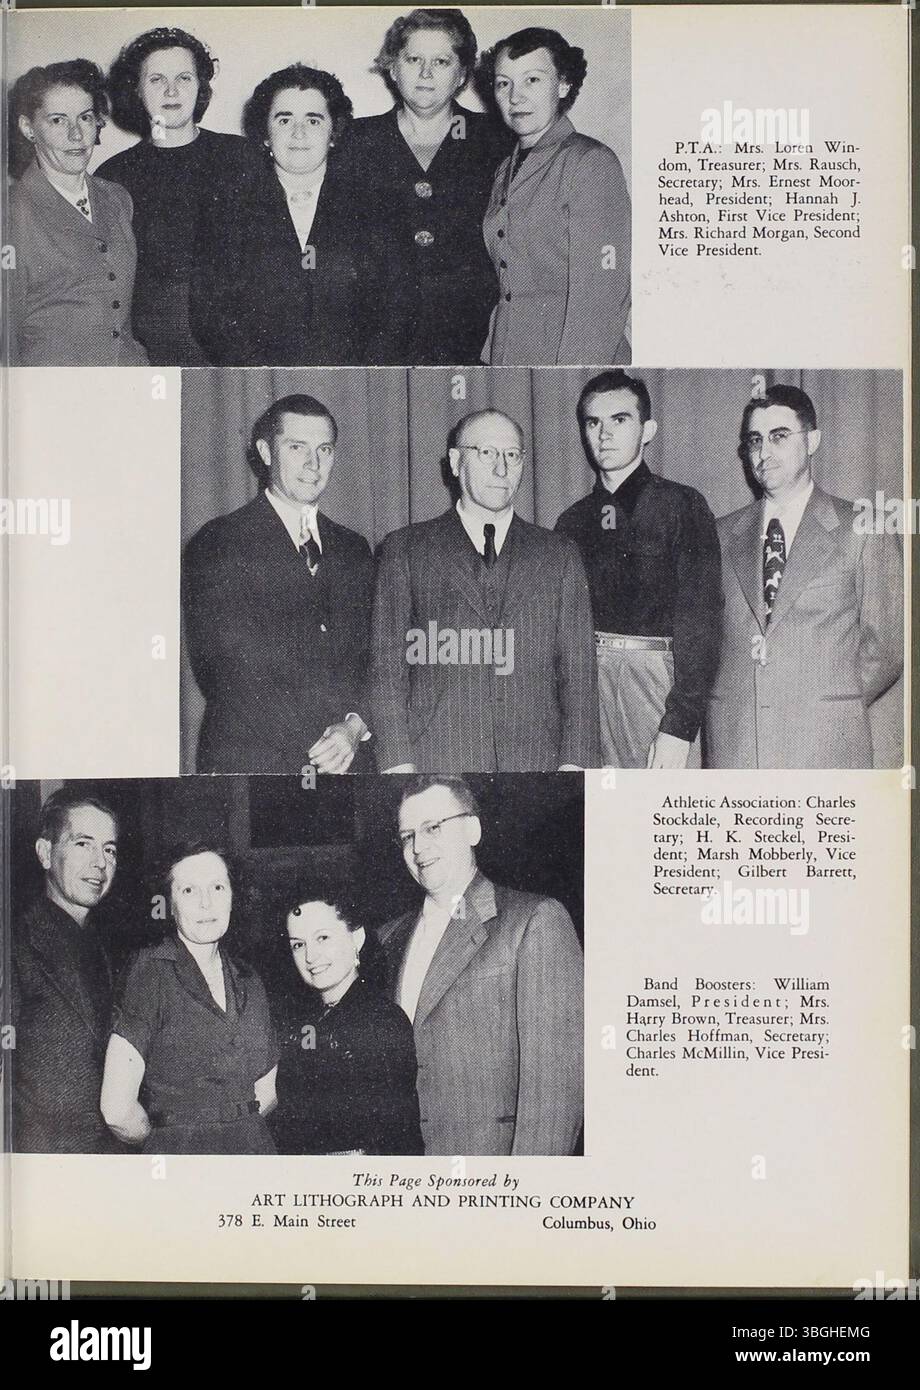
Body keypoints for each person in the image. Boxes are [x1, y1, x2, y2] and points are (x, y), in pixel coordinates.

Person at [370, 408, 600, 773]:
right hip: (438, 760)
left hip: (537, 764)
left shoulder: (559, 554)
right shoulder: (406, 549)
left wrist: (574, 768)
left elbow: (579, 673)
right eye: (487, 453)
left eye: (512, 455)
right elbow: (387, 668)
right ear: (457, 462)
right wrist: (397, 765)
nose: (501, 469)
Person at [377, 777, 583, 1156]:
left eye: (433, 828)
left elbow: (555, 1093)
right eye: (407, 836)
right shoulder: (386, 940)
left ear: (472, 829)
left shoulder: (534, 921)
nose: (419, 848)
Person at [706, 383, 903, 768]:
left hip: (824, 744)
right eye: (755, 440)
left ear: (812, 440)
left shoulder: (864, 528)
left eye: (780, 437)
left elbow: (887, 647)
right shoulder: (718, 534)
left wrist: (826, 702)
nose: (764, 453)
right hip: (736, 746)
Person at [182, 394, 374, 774]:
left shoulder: (354, 548)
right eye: (296, 447)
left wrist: (353, 729)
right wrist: (321, 745)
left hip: (348, 760)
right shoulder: (220, 541)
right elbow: (226, 670)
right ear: (266, 452)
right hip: (255, 762)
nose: (313, 464)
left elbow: (377, 656)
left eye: (324, 449)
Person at [555, 370, 723, 769]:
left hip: (655, 685)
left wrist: (680, 726)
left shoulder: (682, 506)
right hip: (585, 685)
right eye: (593, 423)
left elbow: (703, 621)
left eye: (619, 420)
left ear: (647, 430)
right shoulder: (571, 522)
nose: (604, 434)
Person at [347, 8, 512, 365]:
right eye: (413, 59)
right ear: (392, 67)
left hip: (472, 337)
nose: (425, 73)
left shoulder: (497, 140)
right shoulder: (354, 140)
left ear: (462, 74)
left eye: (441, 61)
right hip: (376, 338)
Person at [101, 844, 278, 1154]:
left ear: (233, 897)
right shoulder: (151, 972)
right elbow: (116, 1109)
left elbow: (268, 1090)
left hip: (254, 1153)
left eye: (217, 887)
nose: (205, 903)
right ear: (170, 904)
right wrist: (167, 1141)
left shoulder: (250, 979)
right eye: (188, 891)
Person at [97, 27, 254, 365]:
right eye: (156, 80)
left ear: (200, 87)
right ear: (136, 90)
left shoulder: (242, 156)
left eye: (184, 77)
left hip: (239, 338)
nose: (171, 90)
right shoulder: (113, 175)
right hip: (155, 343)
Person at [479, 27, 631, 366]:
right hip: (506, 353)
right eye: (504, 83)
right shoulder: (506, 168)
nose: (515, 96)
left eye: (532, 80)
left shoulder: (589, 162)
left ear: (562, 85)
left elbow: (602, 296)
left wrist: (571, 372)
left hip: (567, 357)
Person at [190, 64, 358, 366]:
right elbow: (212, 315)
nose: (298, 133)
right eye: (284, 119)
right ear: (265, 134)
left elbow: (395, 312)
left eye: (314, 120)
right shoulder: (228, 208)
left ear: (334, 132)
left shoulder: (373, 207)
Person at [6, 60, 148, 366]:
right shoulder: (10, 214)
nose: (76, 135)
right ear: (28, 128)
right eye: (58, 120)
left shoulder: (117, 198)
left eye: (85, 117)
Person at [271, 885, 423, 1155]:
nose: (310, 956)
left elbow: (397, 1139)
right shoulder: (306, 1022)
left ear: (357, 938)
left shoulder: (381, 1021)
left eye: (323, 938)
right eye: (298, 944)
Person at [11, 789, 121, 1153]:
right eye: (83, 844)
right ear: (45, 853)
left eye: (109, 849)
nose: (100, 863)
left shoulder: (103, 945)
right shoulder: (15, 943)